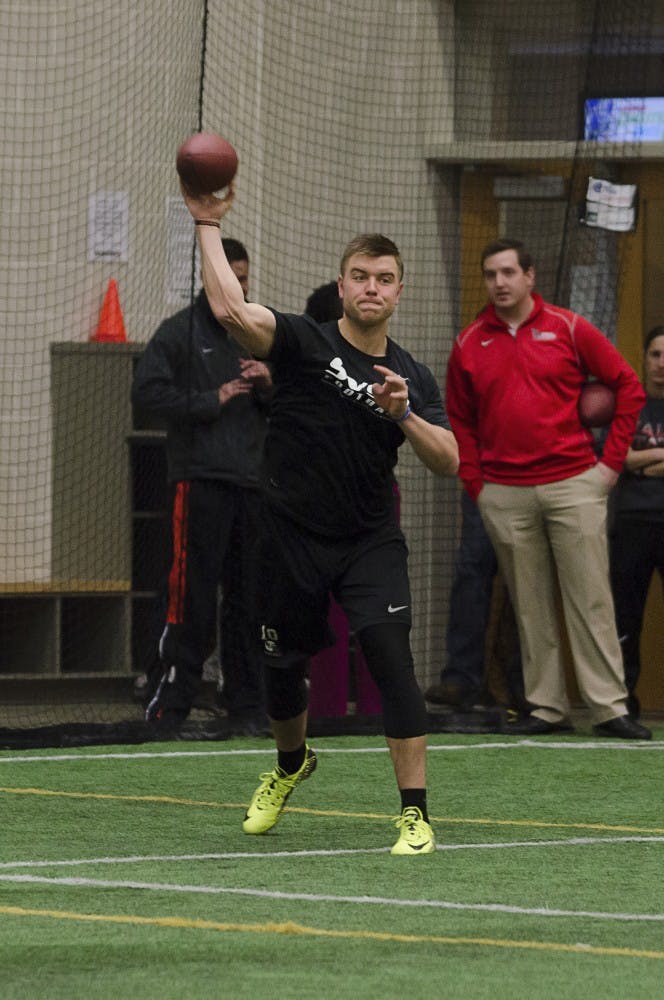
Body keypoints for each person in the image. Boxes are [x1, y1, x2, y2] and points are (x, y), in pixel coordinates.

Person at [181, 182, 459, 855]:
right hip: (290, 535)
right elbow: (228, 308)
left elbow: (448, 461)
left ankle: (415, 814)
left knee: (393, 659)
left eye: (384, 279)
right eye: (360, 277)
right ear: (342, 285)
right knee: (282, 666)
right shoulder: (304, 342)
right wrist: (207, 222)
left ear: (399, 291)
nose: (371, 288)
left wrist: (404, 414)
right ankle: (288, 765)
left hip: (367, 539)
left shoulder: (411, 376)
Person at [446, 237, 651, 740]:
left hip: (574, 483)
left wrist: (610, 466)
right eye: (491, 274)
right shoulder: (470, 343)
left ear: (529, 276)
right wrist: (477, 484)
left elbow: (628, 386)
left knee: (592, 599)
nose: (499, 283)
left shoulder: (569, 327)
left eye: (508, 272)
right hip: (504, 493)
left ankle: (608, 708)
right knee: (528, 601)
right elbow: (459, 420)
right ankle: (547, 706)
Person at [131, 238, 270, 735]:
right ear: (211, 280)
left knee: (249, 598)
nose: (242, 287)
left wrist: (270, 379)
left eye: (246, 278)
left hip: (252, 487)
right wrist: (212, 397)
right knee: (190, 596)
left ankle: (248, 704)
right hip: (199, 483)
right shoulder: (179, 333)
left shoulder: (259, 332)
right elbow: (146, 392)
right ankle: (171, 702)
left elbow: (297, 400)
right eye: (233, 278)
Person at [425, 488, 525, 714]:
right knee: (471, 572)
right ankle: (461, 678)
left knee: (528, 580)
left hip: (535, 476)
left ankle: (525, 685)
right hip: (485, 479)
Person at [609, 325, 664, 720]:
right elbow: (622, 457)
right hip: (631, 522)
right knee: (625, 616)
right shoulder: (631, 403)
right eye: (656, 355)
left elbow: (633, 459)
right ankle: (622, 700)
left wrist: (641, 461)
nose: (663, 364)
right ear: (644, 360)